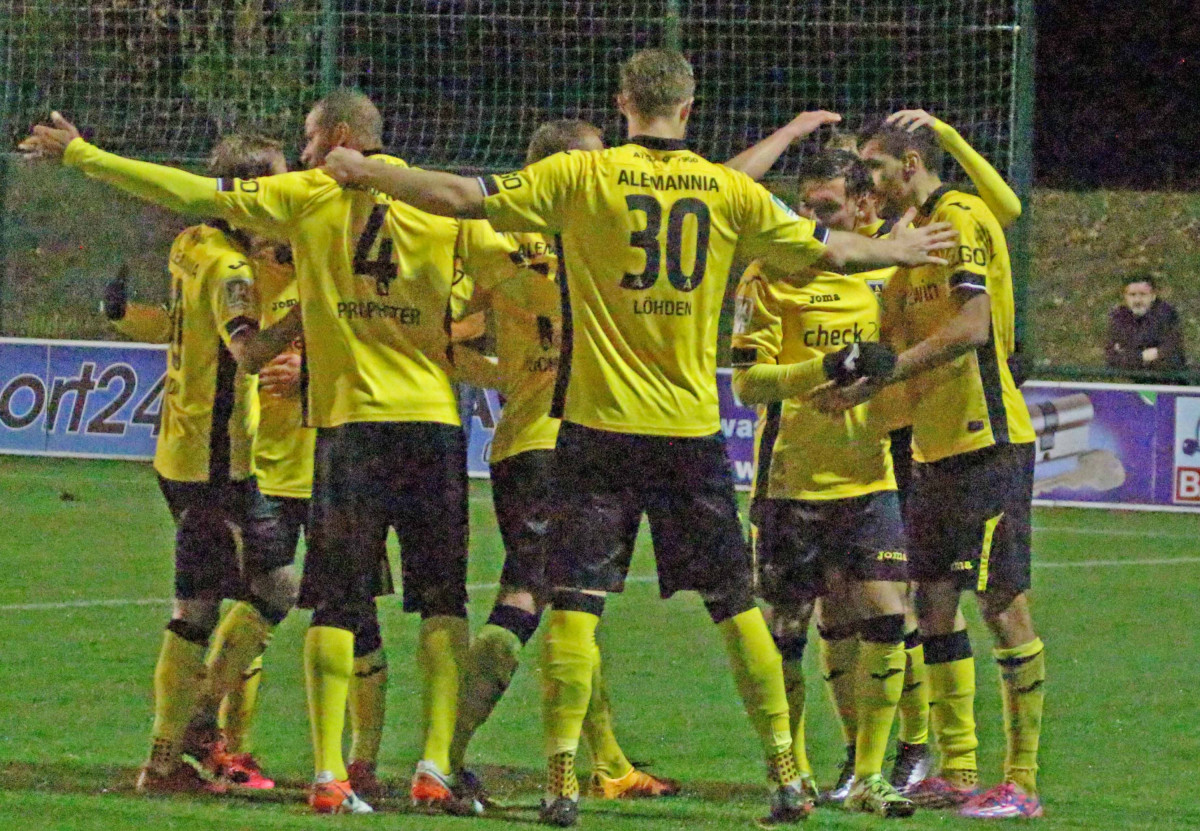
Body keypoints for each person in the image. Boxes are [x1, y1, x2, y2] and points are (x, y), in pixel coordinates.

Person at [322, 48, 956, 827]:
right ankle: (786, 774)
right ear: (688, 108)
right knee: (736, 607)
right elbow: (827, 248)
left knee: (573, 604)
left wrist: (367, 170)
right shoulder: (725, 188)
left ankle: (562, 780)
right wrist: (897, 249)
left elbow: (458, 195)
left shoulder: (584, 176)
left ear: (622, 101)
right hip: (687, 429)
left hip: (597, 428)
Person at [22, 91, 523, 815]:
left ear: (341, 136)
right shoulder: (439, 204)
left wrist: (85, 155)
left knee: (333, 600)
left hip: (349, 425)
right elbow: (520, 266)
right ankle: (435, 765)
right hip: (432, 425)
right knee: (442, 600)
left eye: (311, 139)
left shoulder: (309, 198)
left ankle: (328, 774)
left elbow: (189, 191)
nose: (306, 152)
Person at [447, 118, 679, 803]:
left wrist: (511, 375)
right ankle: (443, 758)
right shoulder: (599, 237)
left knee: (573, 604)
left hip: (533, 441)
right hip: (571, 442)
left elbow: (447, 337)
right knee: (527, 596)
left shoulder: (493, 234)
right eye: (592, 163)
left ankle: (609, 763)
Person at [819, 119, 1045, 820]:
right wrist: (856, 384)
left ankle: (1022, 781)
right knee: (936, 607)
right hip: (933, 450)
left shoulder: (961, 217)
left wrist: (891, 368)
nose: (867, 181)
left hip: (988, 439)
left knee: (1002, 605)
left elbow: (974, 325)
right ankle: (958, 767)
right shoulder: (911, 239)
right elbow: (890, 332)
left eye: (874, 167)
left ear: (910, 162)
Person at [84, 133, 299, 795]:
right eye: (277, 185)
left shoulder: (192, 243)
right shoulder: (232, 270)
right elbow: (249, 353)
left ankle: (184, 739)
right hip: (215, 463)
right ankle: (174, 748)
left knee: (245, 593)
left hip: (187, 450)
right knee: (242, 597)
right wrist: (313, 306)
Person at [731, 149, 916, 818]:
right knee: (787, 630)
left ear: (864, 206)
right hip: (791, 482)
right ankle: (795, 772)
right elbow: (749, 383)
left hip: (870, 475)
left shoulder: (888, 272)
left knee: (888, 615)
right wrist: (828, 367)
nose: (810, 217)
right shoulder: (770, 274)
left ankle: (868, 772)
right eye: (803, 205)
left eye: (826, 207)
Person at [1105, 275, 1186, 376]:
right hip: (1127, 380)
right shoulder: (1119, 317)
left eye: (1143, 294)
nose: (1137, 300)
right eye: (1132, 295)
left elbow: (1168, 353)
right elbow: (1112, 358)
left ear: (1153, 296)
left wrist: (1129, 354)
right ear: (1125, 297)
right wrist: (1143, 356)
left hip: (1163, 381)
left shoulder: (1166, 315)